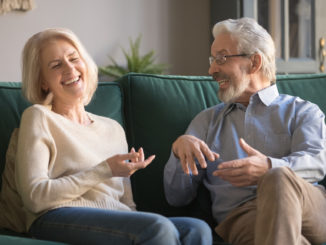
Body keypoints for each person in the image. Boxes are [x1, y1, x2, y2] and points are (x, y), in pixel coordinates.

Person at [1, 28, 213, 245]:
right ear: (43, 81)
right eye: (56, 65)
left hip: (112, 218)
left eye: (74, 59)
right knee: (158, 228)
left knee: (196, 229)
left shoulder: (112, 128)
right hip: (54, 215)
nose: (70, 68)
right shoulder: (38, 117)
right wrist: (105, 170)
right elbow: (35, 198)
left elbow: (126, 204)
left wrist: (134, 218)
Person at [164, 17, 326, 245]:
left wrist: (269, 167)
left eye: (221, 58)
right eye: (212, 59)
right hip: (243, 217)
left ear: (255, 62)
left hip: (309, 208)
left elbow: (317, 163)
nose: (211, 69)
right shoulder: (206, 122)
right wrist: (179, 152)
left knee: (278, 177)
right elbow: (176, 198)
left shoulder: (303, 111)